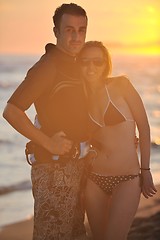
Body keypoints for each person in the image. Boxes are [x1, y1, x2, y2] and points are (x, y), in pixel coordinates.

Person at [3, 3, 90, 240]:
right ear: (56, 32)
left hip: (75, 167)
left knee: (74, 234)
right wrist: (48, 143)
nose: (76, 37)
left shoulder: (75, 65)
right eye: (70, 30)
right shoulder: (47, 66)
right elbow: (11, 111)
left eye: (81, 30)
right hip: (53, 170)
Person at [78, 41, 157, 240]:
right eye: (85, 62)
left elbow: (144, 127)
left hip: (127, 179)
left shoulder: (121, 85)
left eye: (97, 62)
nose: (91, 67)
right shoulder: (80, 97)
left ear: (106, 64)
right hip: (94, 179)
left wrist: (145, 170)